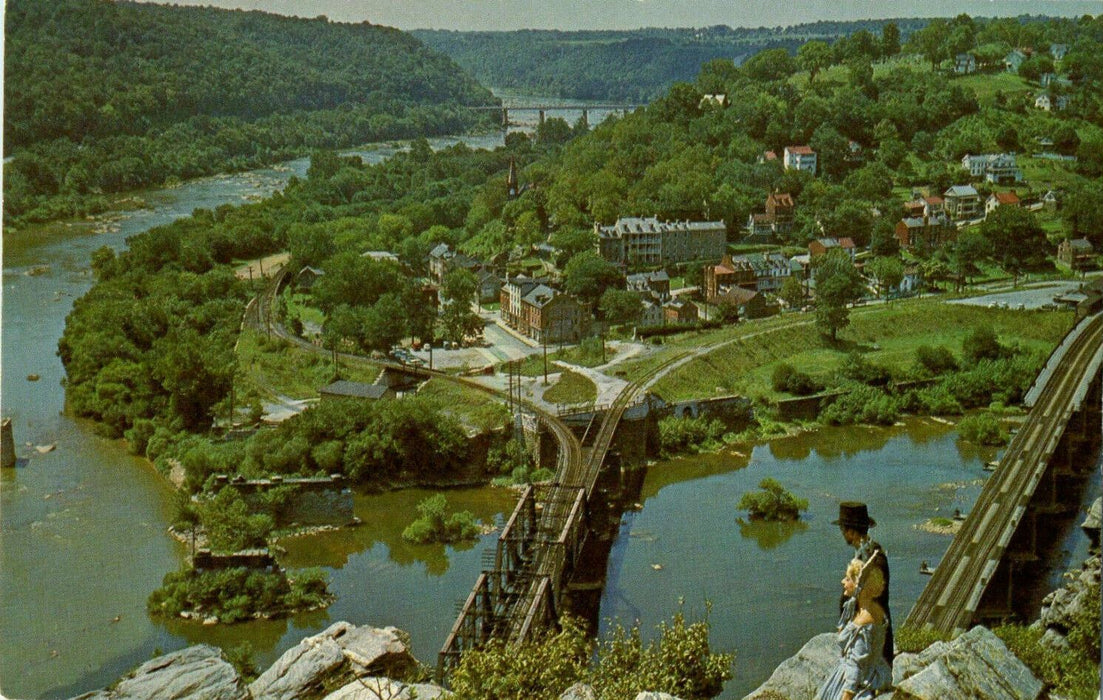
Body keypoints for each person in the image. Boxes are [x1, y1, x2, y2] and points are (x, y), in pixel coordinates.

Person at [816, 556, 893, 700]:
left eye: (847, 579)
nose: (843, 582)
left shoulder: (864, 622)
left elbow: (856, 667)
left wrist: (846, 696)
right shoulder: (867, 608)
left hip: (861, 679)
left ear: (859, 587)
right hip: (873, 669)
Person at [833, 501, 893, 663]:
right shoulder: (867, 553)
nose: (842, 534)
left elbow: (871, 599)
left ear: (851, 532)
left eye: (843, 529)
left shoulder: (874, 559)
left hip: (870, 643)